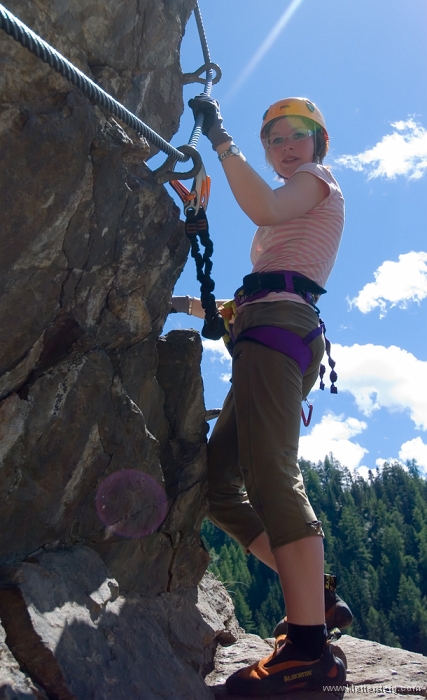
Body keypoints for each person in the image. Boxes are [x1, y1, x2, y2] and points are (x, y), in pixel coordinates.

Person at [185, 95, 347, 696]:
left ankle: (308, 650)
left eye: (296, 135)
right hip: (263, 330)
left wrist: (222, 140)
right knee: (217, 484)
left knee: (271, 476)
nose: (285, 147)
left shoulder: (315, 182)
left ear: (316, 143)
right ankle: (317, 600)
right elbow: (253, 294)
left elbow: (265, 205)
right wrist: (182, 305)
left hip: (278, 332)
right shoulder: (291, 214)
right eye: (273, 139)